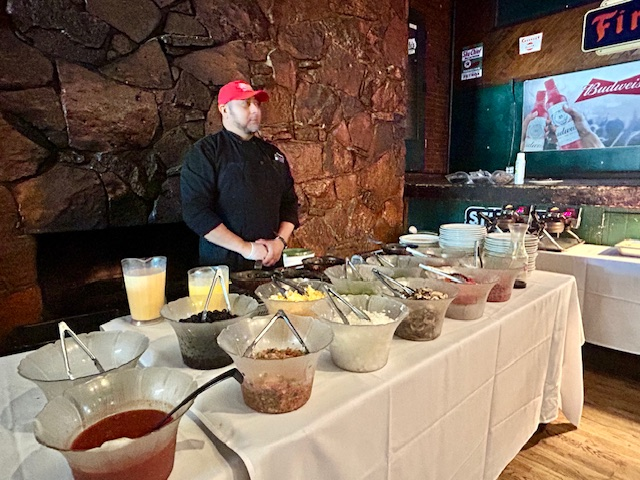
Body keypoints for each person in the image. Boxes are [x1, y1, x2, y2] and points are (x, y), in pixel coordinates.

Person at [180, 80, 299, 272]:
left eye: (257, 103)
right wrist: (246, 249)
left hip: (271, 266)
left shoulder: (273, 154)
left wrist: (280, 242)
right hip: (222, 270)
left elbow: (290, 205)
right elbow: (196, 212)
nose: (255, 110)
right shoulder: (205, 152)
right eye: (245, 104)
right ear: (224, 109)